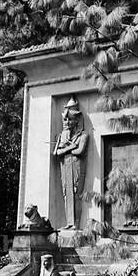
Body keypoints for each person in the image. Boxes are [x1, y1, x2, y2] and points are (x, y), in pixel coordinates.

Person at [53, 96, 88, 229]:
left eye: (70, 119)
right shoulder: (64, 136)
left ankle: (76, 224)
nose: (67, 122)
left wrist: (68, 148)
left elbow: (79, 151)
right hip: (65, 166)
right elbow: (57, 153)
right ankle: (69, 223)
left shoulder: (83, 135)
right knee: (66, 195)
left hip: (76, 166)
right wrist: (68, 146)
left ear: (77, 120)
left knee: (75, 194)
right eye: (65, 119)